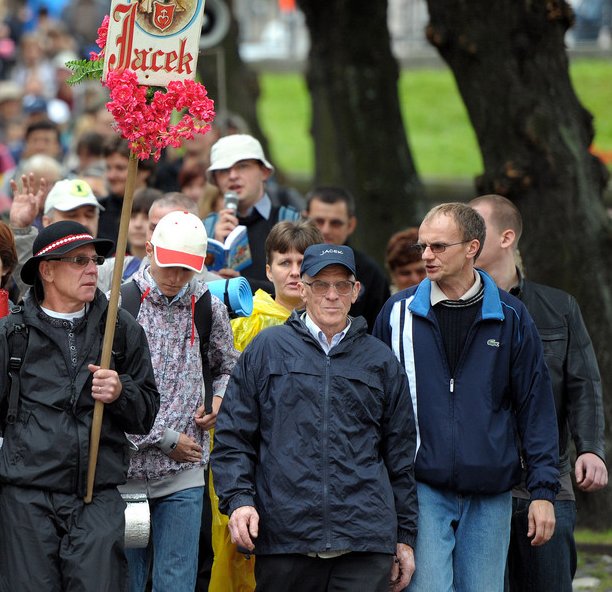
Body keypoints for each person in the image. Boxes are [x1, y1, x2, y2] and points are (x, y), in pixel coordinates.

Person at [0, 221, 159, 591]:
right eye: (79, 260)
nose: (93, 269)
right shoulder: (12, 334)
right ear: (47, 270)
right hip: (27, 504)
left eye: (95, 260)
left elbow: (145, 414)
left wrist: (120, 391)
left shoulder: (120, 330)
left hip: (97, 499)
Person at [372, 202, 560, 592]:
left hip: (491, 491)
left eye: (438, 246)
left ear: (472, 247)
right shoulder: (396, 313)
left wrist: (543, 491)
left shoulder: (512, 316)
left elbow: (535, 406)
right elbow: (375, 408)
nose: (426, 255)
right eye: (422, 246)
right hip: (420, 487)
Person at [212, 244, 418, 592]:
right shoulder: (266, 348)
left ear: (356, 292)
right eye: (320, 284)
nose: (331, 295)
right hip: (285, 537)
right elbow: (233, 437)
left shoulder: (380, 360)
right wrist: (239, 502)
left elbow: (400, 456)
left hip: (364, 542)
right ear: (303, 289)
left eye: (342, 285)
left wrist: (406, 537)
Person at [468, 194, 608, 592]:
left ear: (507, 237)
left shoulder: (559, 307)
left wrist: (591, 448)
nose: (466, 239)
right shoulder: (451, 307)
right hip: (479, 482)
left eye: (476, 229)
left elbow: (584, 385)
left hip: (546, 479)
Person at [118, 211, 239, 592]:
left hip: (184, 475)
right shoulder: (119, 305)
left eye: (185, 270)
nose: (175, 278)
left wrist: (219, 398)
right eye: (168, 266)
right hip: (126, 473)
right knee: (127, 581)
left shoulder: (208, 306)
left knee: (177, 583)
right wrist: (163, 438)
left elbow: (227, 366)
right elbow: (106, 392)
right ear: (150, 250)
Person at [207, 219, 323, 591]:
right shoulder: (245, 322)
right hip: (250, 460)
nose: (293, 272)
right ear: (268, 268)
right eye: (284, 262)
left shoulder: (332, 327)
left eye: (302, 262)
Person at [202, 134, 302, 294]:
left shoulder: (291, 221)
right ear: (215, 180)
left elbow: (303, 288)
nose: (233, 176)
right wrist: (213, 249)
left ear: (264, 172)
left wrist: (242, 285)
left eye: (243, 166)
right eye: (223, 170)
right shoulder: (204, 228)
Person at [302, 185, 390, 329]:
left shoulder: (371, 274)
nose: (326, 230)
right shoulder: (288, 265)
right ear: (304, 218)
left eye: (336, 223)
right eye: (318, 221)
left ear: (351, 225)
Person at [385, 227, 425, 293]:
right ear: (392, 275)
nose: (415, 279)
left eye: (420, 271)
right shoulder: (385, 302)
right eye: (405, 273)